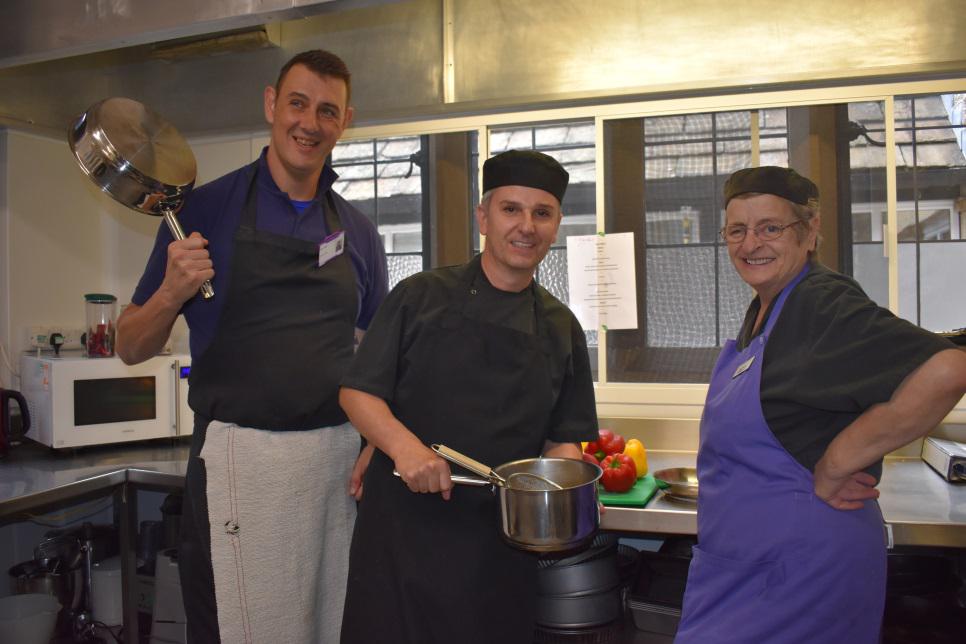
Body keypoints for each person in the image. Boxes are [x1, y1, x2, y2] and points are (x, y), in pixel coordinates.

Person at [116, 49, 388, 643]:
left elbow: (375, 362)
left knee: (328, 624)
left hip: (332, 471)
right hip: (237, 466)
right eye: (297, 103)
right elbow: (130, 346)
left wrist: (375, 441)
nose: (309, 123)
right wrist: (170, 291)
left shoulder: (360, 234)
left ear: (345, 121)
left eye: (326, 111)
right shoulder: (201, 209)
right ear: (271, 104)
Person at [674, 166, 966, 643]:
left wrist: (837, 462)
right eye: (737, 231)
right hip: (752, 566)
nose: (752, 244)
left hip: (799, 571)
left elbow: (948, 369)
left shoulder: (821, 302)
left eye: (771, 228)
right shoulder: (770, 307)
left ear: (810, 233)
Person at [338, 150, 599, 644]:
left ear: (557, 224)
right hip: (403, 534)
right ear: (483, 217)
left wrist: (563, 493)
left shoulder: (561, 326)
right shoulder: (420, 297)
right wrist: (405, 448)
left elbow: (564, 442)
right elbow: (358, 393)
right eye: (511, 209)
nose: (527, 226)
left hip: (498, 546)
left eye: (542, 213)